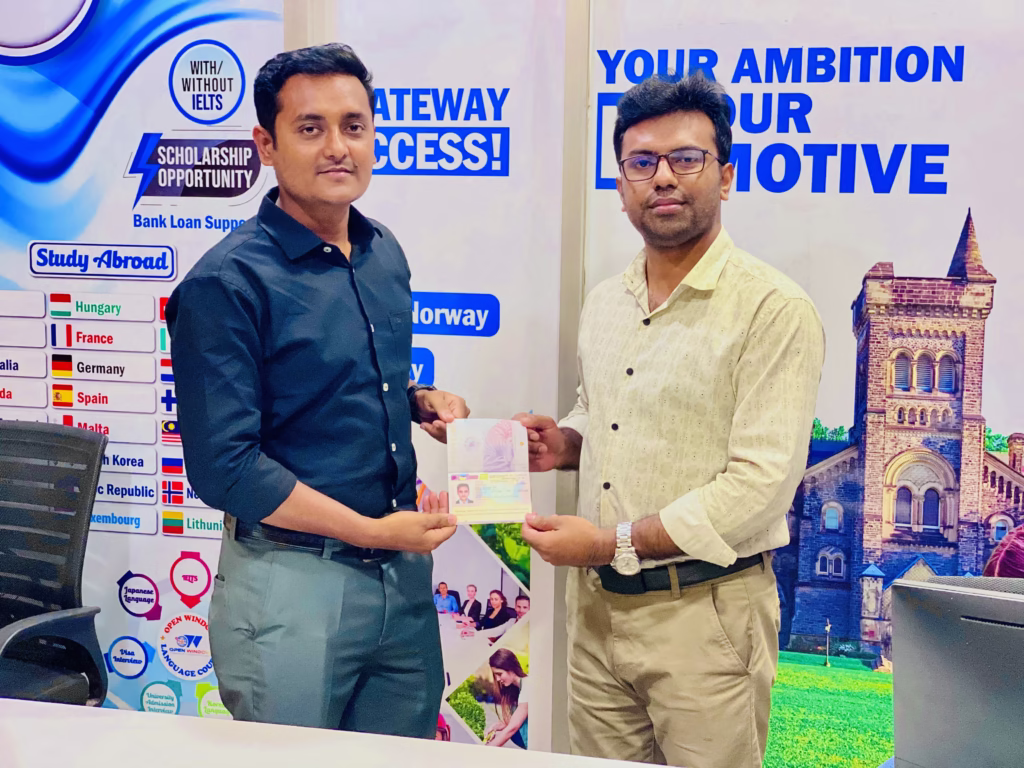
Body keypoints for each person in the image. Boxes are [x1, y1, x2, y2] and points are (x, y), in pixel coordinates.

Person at [515, 73, 824, 768]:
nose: (663, 178)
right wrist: (565, 443)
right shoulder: (608, 301)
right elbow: (603, 412)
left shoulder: (772, 309)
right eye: (642, 162)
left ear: (726, 175)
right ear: (621, 183)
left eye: (686, 159)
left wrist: (608, 543)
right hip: (596, 615)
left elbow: (759, 487)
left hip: (706, 616)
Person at [165, 44, 471, 738]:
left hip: (401, 581)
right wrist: (371, 532)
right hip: (291, 586)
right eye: (311, 128)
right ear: (266, 146)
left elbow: (328, 380)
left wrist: (416, 398)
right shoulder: (226, 283)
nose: (338, 147)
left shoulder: (382, 250)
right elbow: (227, 468)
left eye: (354, 125)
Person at [484, 648, 529, 749]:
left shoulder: (527, 686)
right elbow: (516, 720)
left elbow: (512, 728)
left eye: (499, 674)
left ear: (511, 668)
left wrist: (486, 750)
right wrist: (499, 725)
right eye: (495, 675)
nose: (497, 679)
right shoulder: (517, 688)